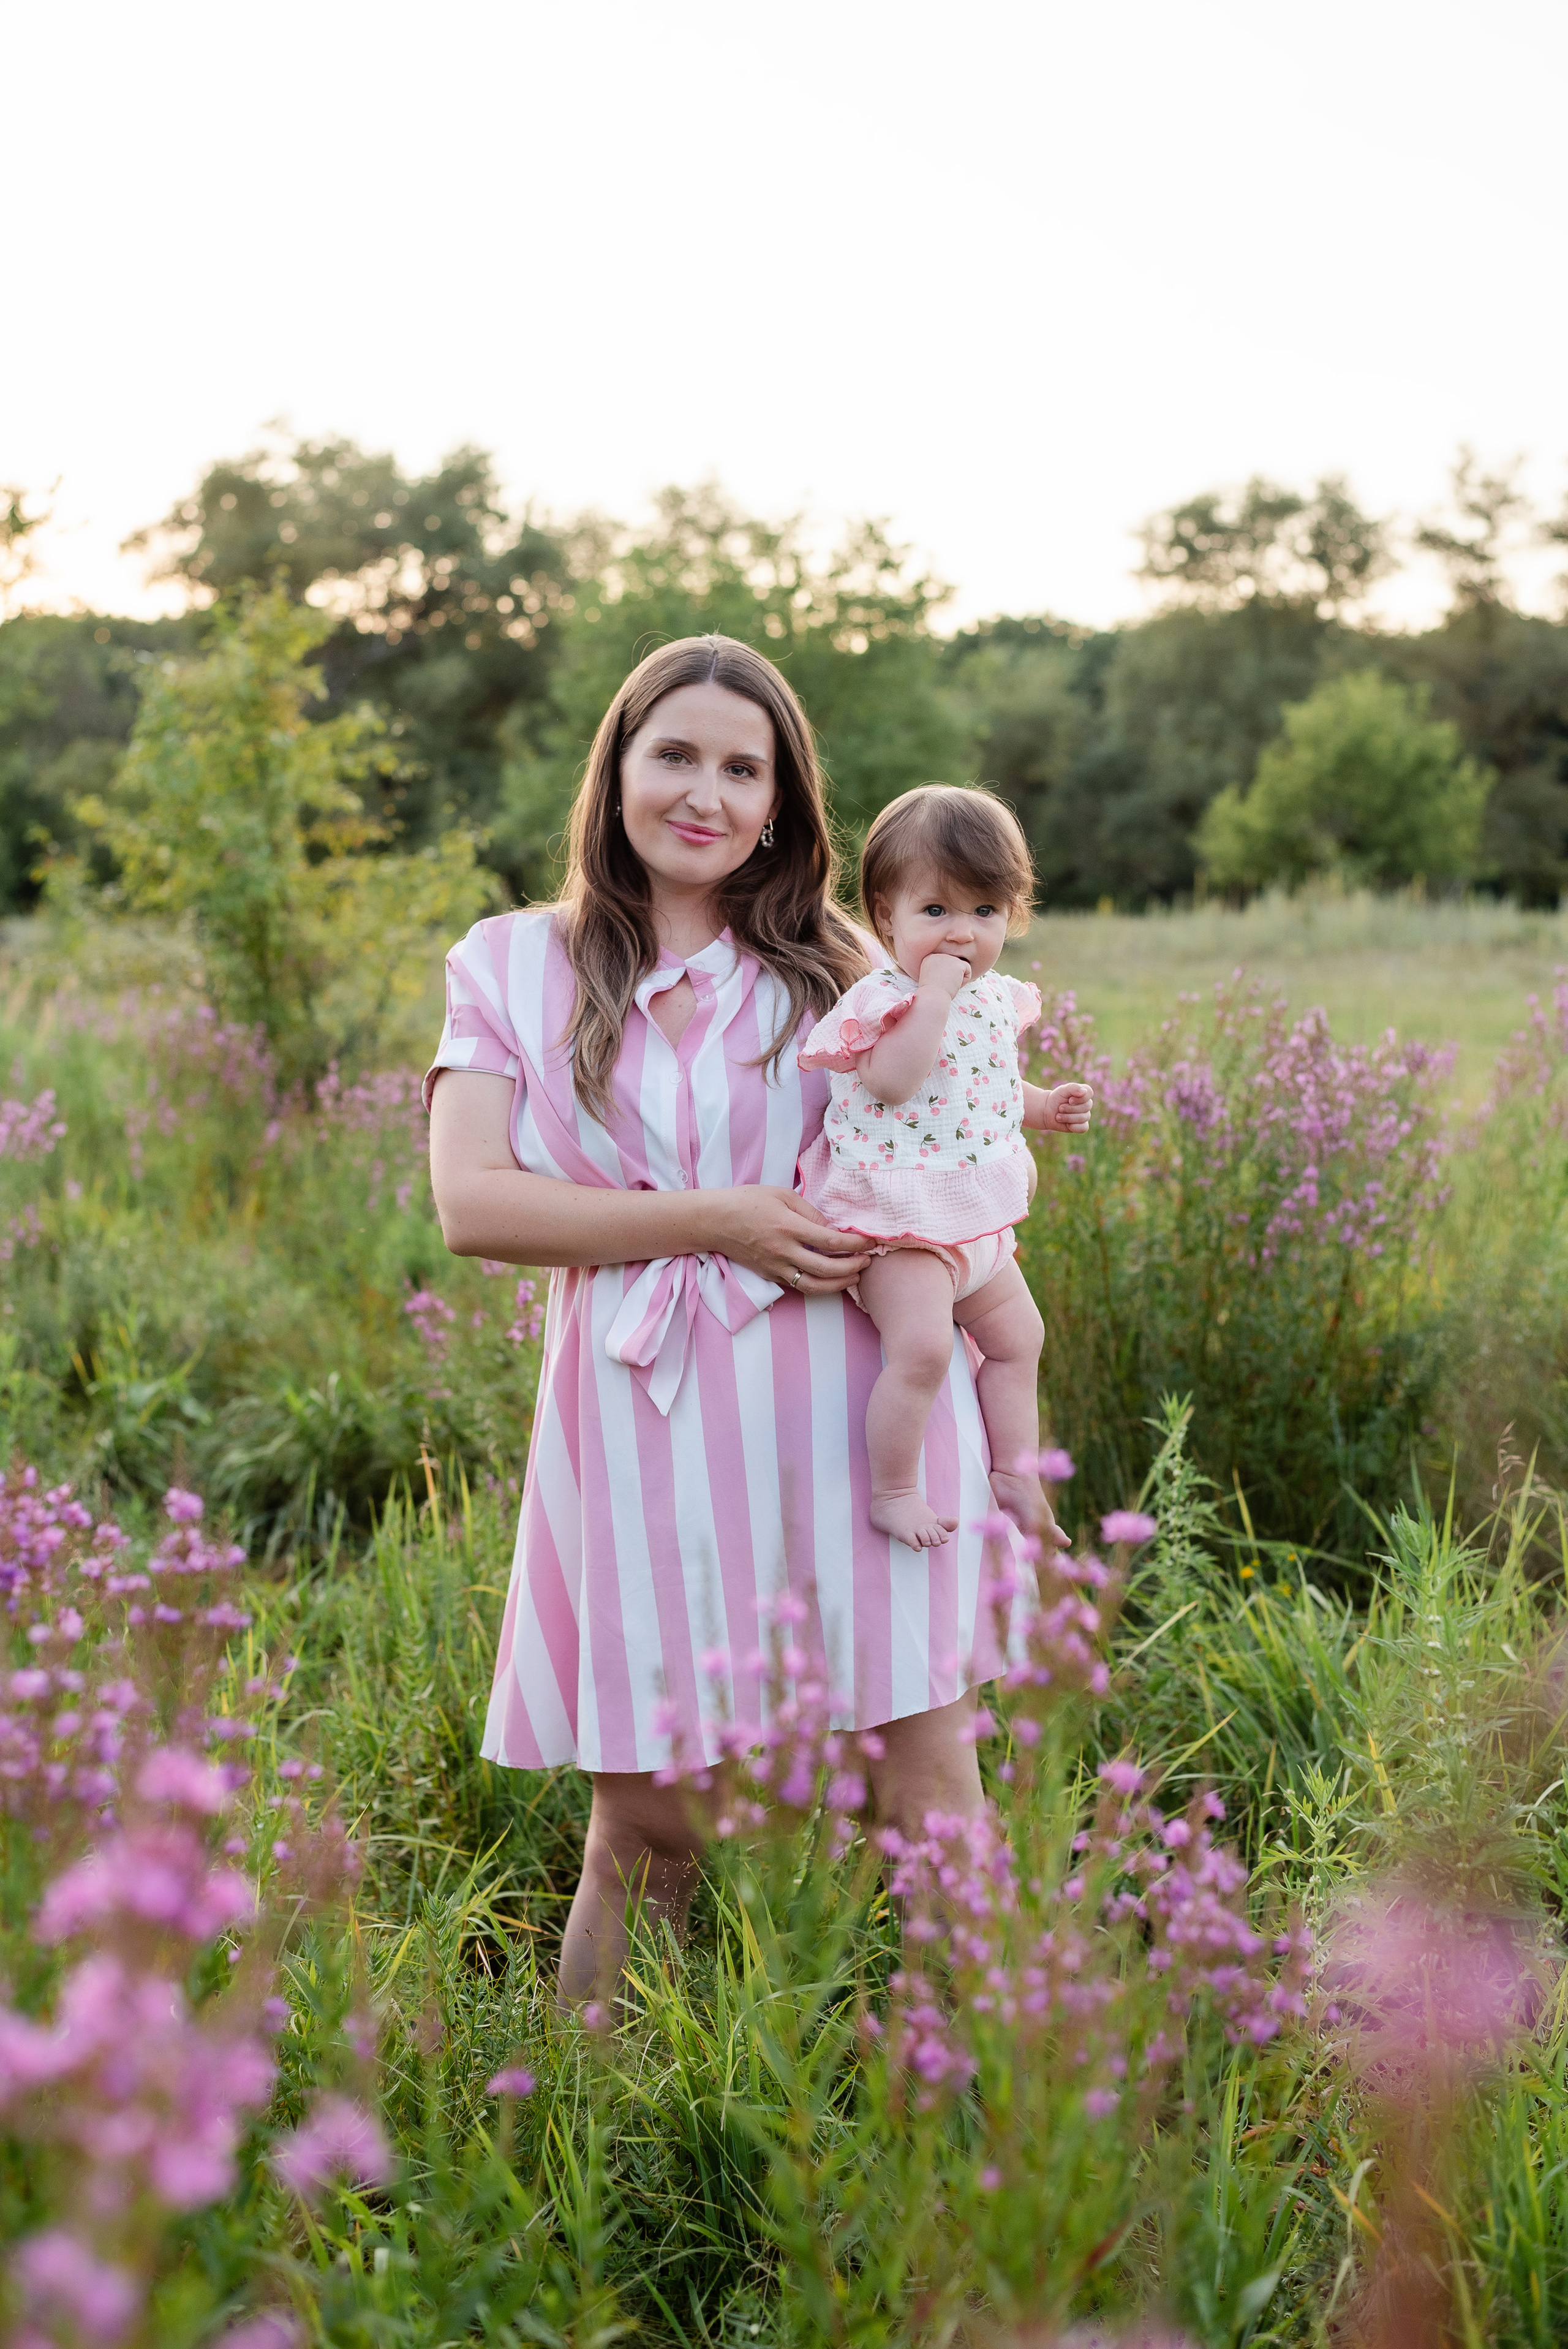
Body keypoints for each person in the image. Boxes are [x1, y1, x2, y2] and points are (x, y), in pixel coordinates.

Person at [425, 636, 1055, 2002]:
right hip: (641, 1423)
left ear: (780, 803)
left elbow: (955, 1154)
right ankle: (597, 2135)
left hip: (854, 1415)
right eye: (674, 755)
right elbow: (472, 1206)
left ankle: (989, 2099)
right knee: (650, 1822)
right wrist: (712, 1216)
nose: (701, 793)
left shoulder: (848, 970)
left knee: (925, 1783)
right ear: (618, 768)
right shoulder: (514, 966)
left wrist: (1003, 1365)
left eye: (739, 767)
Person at [797, 787, 1094, 1551]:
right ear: (884, 916)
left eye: (985, 912)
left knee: (1019, 1337)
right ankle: (894, 1489)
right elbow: (895, 1082)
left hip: (974, 1215)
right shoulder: (883, 999)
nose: (961, 934)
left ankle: (1015, 1474)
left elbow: (979, 1083)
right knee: (924, 1350)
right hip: (899, 1224)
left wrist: (1042, 1105)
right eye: (935, 912)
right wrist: (931, 999)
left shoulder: (994, 999)